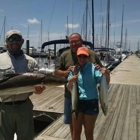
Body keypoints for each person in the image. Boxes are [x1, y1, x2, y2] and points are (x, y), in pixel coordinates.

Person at [54, 33, 110, 138]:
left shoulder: (93, 56)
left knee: (88, 132)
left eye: (76, 41)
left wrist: (105, 72)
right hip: (71, 96)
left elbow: (102, 74)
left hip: (90, 100)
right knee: (74, 129)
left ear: (82, 41)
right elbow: (56, 72)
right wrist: (67, 74)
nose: (82, 58)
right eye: (71, 42)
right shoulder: (65, 55)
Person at [0, 30, 45, 140]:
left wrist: (39, 90)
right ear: (6, 41)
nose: (14, 42)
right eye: (11, 39)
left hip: (24, 106)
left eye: (17, 39)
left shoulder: (31, 61)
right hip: (4, 107)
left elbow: (37, 83)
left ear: (22, 41)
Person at [67, 46, 110, 140]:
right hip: (77, 102)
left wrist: (107, 74)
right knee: (76, 132)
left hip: (91, 102)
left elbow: (105, 84)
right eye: (80, 56)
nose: (82, 58)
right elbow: (69, 88)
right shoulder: (73, 70)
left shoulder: (93, 68)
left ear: (88, 57)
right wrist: (71, 81)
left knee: (89, 133)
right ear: (76, 56)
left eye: (84, 56)